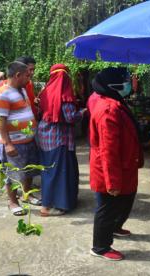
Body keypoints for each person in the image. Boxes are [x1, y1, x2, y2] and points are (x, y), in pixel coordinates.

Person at [89, 67, 143, 261]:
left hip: (123, 166)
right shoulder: (108, 110)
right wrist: (112, 182)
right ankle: (101, 247)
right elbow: (108, 149)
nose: (130, 83)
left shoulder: (115, 102)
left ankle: (115, 227)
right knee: (108, 208)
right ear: (114, 84)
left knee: (124, 201)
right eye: (127, 80)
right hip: (110, 169)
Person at [0, 61, 40, 216]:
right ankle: (12, 201)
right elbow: (0, 121)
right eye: (27, 74)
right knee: (12, 174)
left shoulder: (22, 90)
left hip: (28, 140)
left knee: (28, 171)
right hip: (13, 143)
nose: (30, 77)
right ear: (18, 75)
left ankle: (27, 194)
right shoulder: (2, 94)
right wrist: (8, 144)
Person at [37, 64, 85, 216]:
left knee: (49, 171)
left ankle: (52, 202)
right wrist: (83, 112)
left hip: (45, 136)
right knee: (61, 172)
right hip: (60, 138)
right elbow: (70, 117)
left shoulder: (44, 92)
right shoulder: (65, 95)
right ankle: (54, 205)